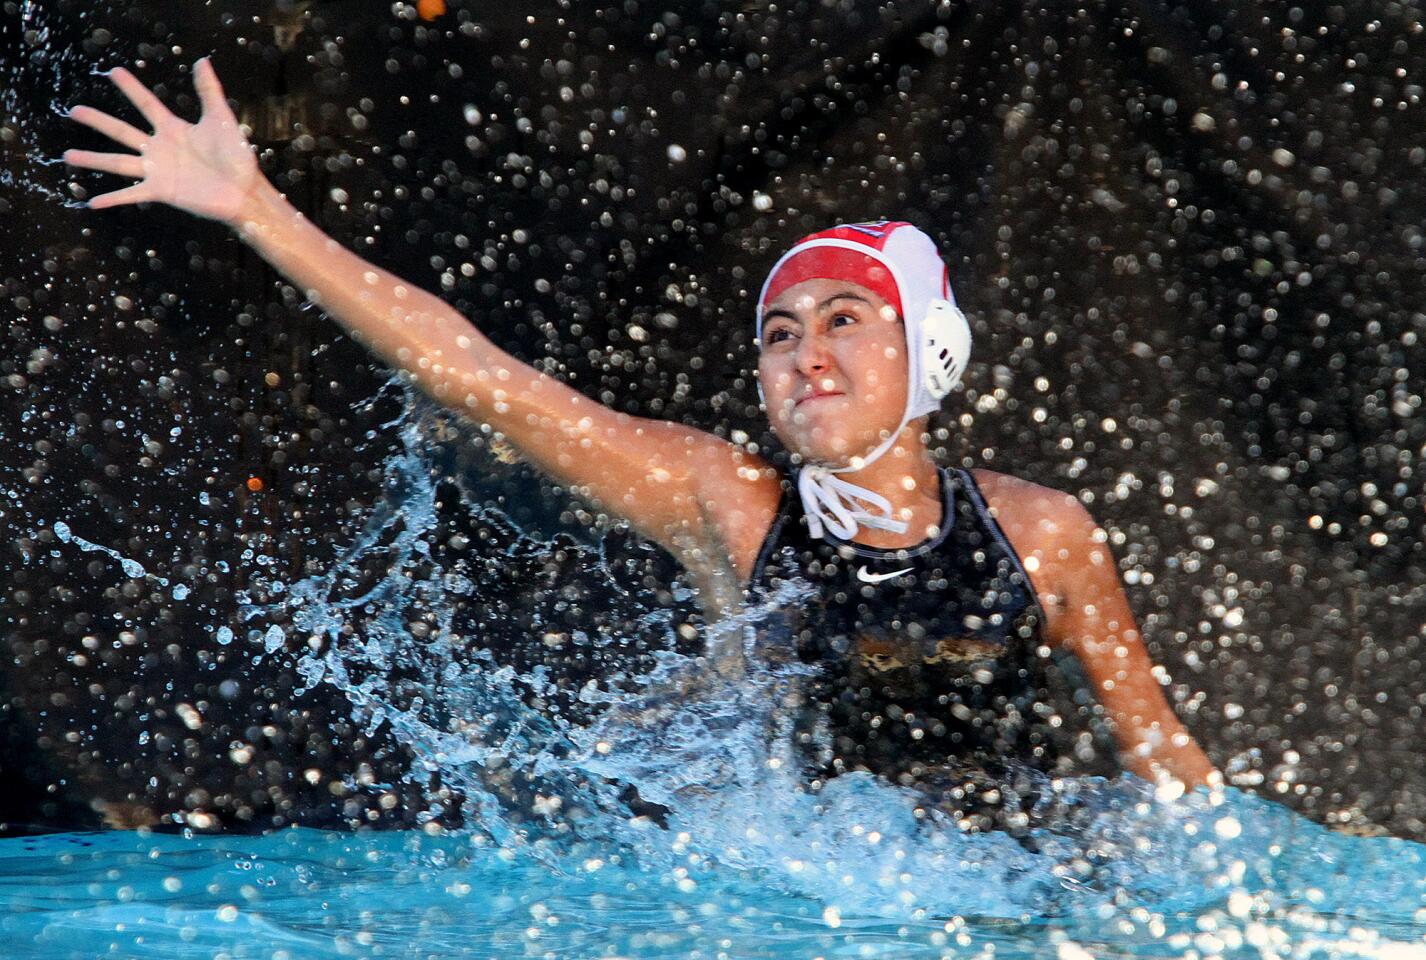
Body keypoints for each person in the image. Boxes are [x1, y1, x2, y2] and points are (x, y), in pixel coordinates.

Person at [63, 60, 1217, 823]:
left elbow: (1160, 755)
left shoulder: (1041, 534)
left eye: (844, 319)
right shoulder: (725, 503)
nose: (804, 351)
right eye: (779, 331)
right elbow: (476, 377)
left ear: (933, 357)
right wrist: (256, 210)